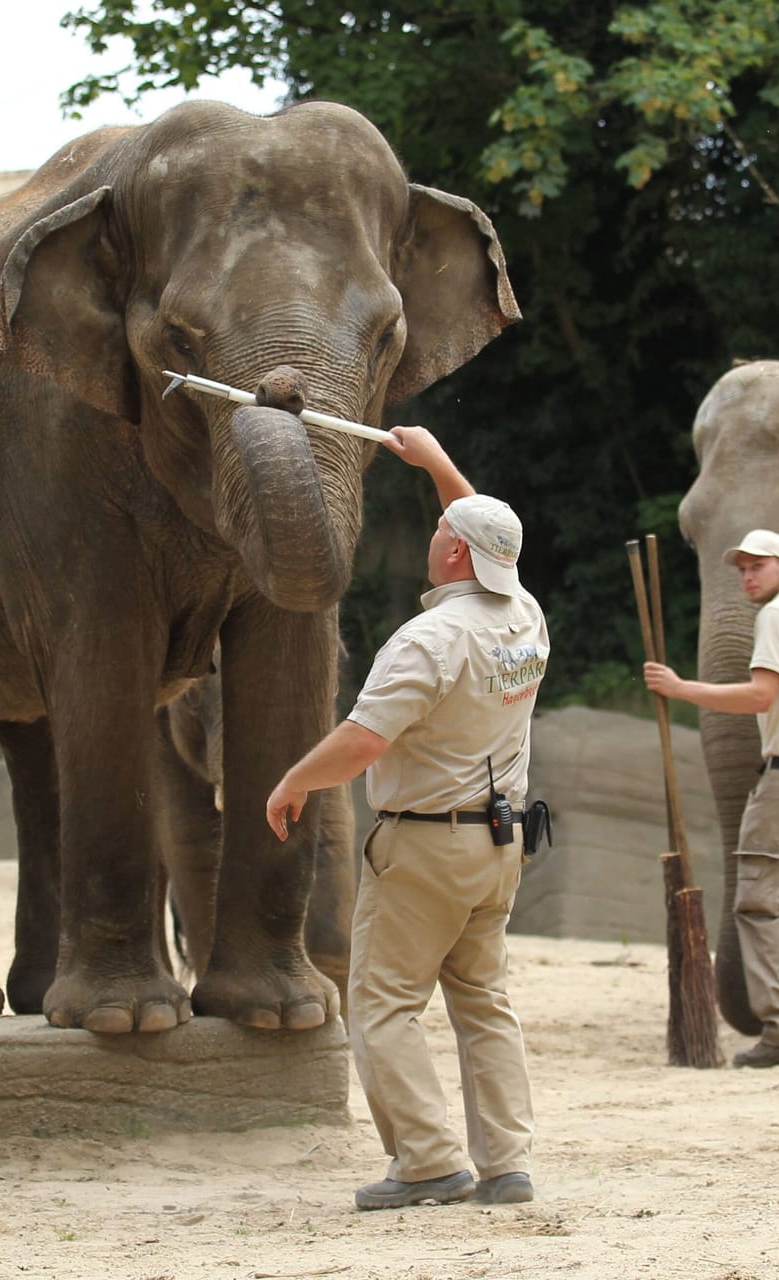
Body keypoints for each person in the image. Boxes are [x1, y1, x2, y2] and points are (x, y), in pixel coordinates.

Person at [266, 425, 550, 1211]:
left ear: (455, 555)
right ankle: (507, 1165)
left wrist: (294, 779)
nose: (435, 535)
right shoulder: (523, 617)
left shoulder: (428, 640)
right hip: (500, 843)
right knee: (484, 1003)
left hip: (424, 848)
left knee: (384, 1003)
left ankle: (427, 1161)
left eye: (439, 533)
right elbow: (480, 528)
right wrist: (435, 463)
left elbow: (362, 741)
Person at [643, 529, 779, 1068]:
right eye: (741, 568)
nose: (746, 576)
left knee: (760, 903)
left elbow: (761, 694)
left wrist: (681, 689)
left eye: (756, 567)